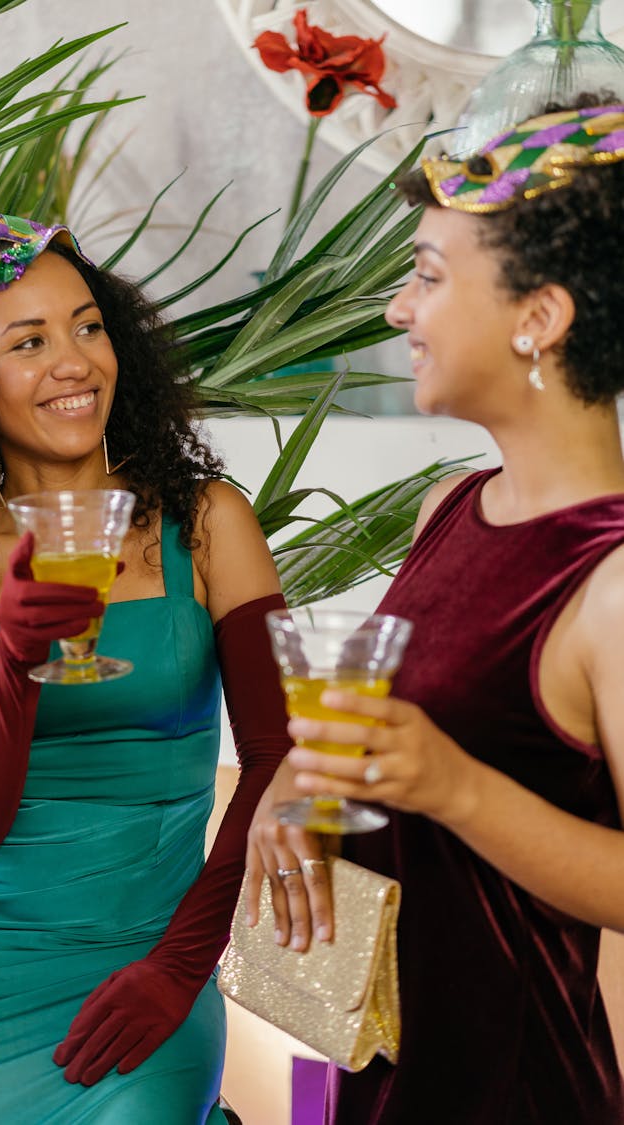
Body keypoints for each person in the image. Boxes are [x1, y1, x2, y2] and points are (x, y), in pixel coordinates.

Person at [245, 100, 624, 1124]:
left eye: (426, 274)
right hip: (383, 1070)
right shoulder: (446, 509)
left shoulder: (615, 580)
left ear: (538, 318)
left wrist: (454, 788)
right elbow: (380, 726)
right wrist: (291, 786)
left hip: (515, 1091)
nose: (395, 311)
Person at [0, 213, 291, 1124]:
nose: (76, 361)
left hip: (150, 953)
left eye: (89, 326)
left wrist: (182, 968)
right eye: (30, 341)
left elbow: (279, 759)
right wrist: (15, 661)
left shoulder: (210, 522)